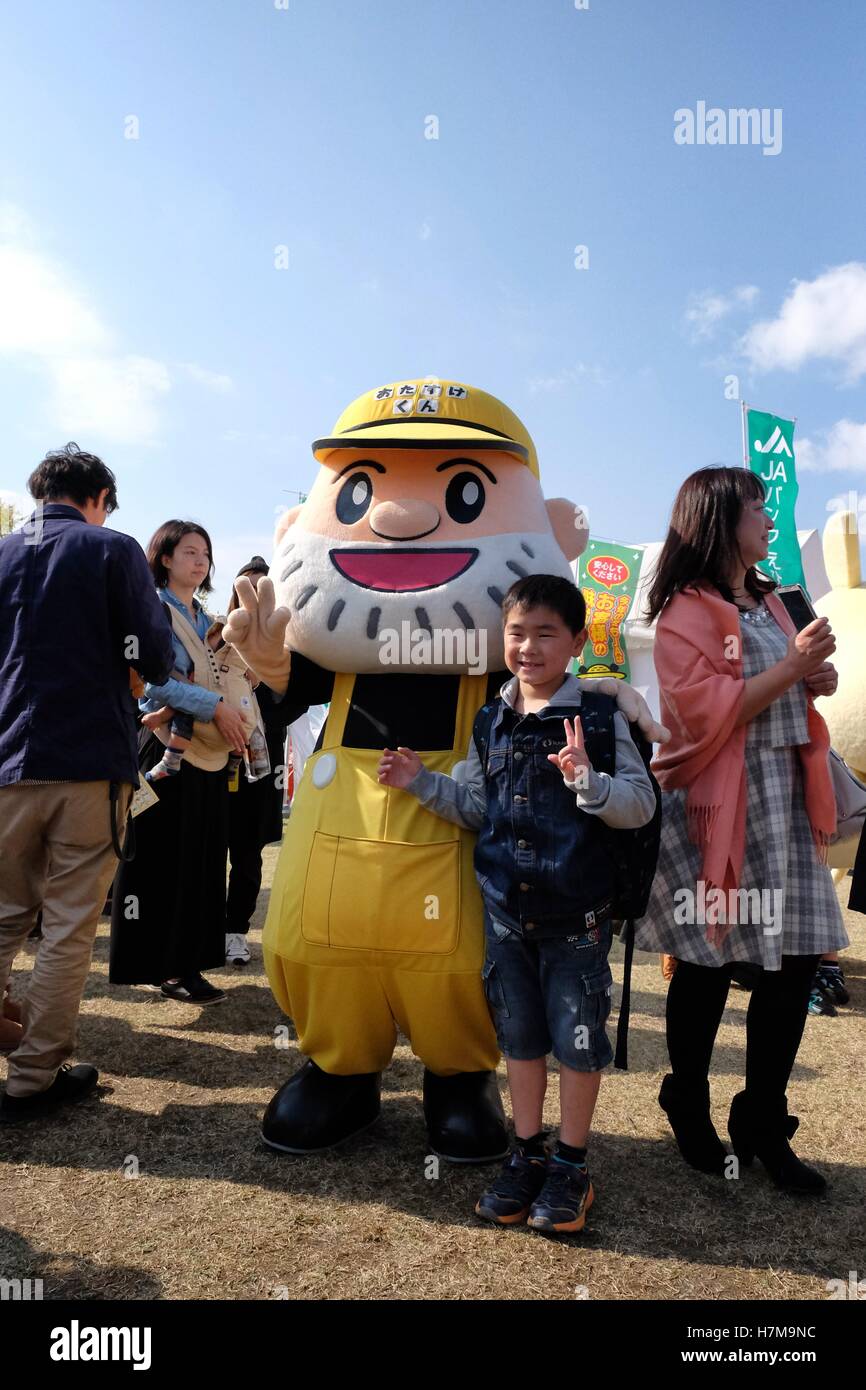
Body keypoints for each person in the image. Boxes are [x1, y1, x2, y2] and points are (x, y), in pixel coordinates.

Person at [377, 574, 656, 1233]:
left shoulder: (602, 718)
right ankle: (527, 1154)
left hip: (578, 924)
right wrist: (422, 784)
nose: (528, 647)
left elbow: (640, 806)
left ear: (578, 642)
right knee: (522, 1041)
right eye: (516, 633)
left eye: (545, 634)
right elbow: (477, 808)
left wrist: (591, 784)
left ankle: (571, 1164)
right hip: (505, 919)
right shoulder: (490, 719)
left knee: (578, 1043)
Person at [637, 466, 847, 1195]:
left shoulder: (778, 597)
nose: (767, 517)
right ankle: (687, 1100)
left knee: (792, 968)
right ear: (718, 519)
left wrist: (816, 674)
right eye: (756, 507)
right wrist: (791, 667)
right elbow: (701, 713)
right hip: (719, 801)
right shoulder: (684, 611)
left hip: (786, 796)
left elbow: (812, 683)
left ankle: (763, 1120)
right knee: (706, 965)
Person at [0, 444, 175, 1120]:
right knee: (69, 925)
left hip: (10, 759)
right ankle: (32, 1078)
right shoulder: (110, 548)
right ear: (98, 496)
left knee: (6, 915)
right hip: (89, 761)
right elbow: (155, 653)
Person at [109, 522, 247, 1006]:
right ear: (165, 558)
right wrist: (216, 706)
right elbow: (154, 683)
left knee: (204, 860)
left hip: (207, 751)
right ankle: (161, 965)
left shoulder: (207, 616)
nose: (200, 560)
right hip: (164, 745)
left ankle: (189, 963)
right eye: (189, 551)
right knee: (160, 860)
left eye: (205, 552)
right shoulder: (153, 609)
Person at [223, 557, 294, 968]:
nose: (251, 597)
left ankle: (235, 932)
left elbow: (295, 704)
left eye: (261, 587)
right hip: (215, 761)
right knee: (204, 849)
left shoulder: (286, 645)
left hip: (261, 767)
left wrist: (262, 682)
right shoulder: (216, 637)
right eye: (244, 587)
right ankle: (201, 931)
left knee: (247, 856)